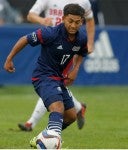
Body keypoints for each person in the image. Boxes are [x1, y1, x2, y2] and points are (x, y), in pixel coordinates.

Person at [4, 3, 87, 149]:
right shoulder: (50, 33)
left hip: (59, 79)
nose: (73, 25)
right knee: (58, 108)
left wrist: (75, 69)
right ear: (63, 19)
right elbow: (25, 39)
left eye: (77, 22)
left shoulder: (81, 38)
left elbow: (82, 52)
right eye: (70, 21)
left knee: (71, 116)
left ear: (82, 21)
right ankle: (49, 145)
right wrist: (9, 59)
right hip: (43, 76)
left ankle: (43, 139)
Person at [17, 0, 95, 132]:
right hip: (51, 42)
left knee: (52, 87)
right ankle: (78, 108)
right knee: (52, 87)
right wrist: (43, 21)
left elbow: (90, 20)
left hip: (69, 46)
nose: (74, 24)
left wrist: (90, 44)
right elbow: (31, 15)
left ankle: (32, 124)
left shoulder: (83, 2)